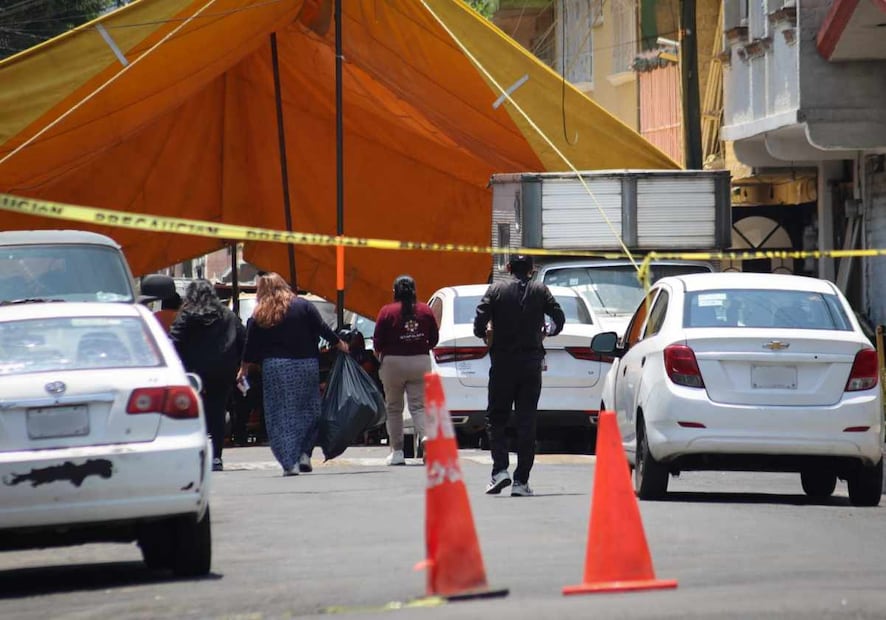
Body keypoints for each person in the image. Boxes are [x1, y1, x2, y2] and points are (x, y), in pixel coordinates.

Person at [237, 273, 348, 476]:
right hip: (306, 364)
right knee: (309, 409)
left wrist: (243, 368)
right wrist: (339, 343)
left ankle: (290, 462)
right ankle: (304, 452)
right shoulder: (303, 305)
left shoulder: (260, 313)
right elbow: (321, 327)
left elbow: (250, 344)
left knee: (280, 414)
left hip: (276, 367)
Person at [473, 254, 564, 497]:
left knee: (496, 418)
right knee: (527, 421)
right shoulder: (540, 290)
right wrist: (548, 331)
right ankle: (521, 481)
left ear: (508, 267)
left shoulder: (496, 290)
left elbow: (479, 320)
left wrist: (484, 333)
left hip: (502, 363)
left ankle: (500, 470)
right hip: (531, 364)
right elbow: (559, 317)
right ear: (532, 269)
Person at [170, 281, 245, 472]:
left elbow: (173, 341)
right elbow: (243, 339)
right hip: (222, 372)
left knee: (193, 413)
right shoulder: (228, 316)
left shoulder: (187, 315)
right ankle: (216, 457)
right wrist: (238, 364)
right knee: (217, 413)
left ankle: (196, 453)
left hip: (193, 373)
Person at [373, 275, 439, 466]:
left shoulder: (387, 311)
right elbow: (434, 338)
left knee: (394, 408)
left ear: (395, 292)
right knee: (418, 406)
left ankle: (397, 452)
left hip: (393, 363)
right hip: (420, 361)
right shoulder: (425, 310)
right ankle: (425, 436)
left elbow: (377, 342)